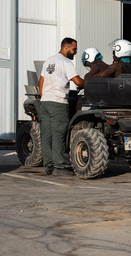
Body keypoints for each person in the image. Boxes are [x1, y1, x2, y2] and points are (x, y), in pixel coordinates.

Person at [39, 37, 85, 176]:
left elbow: (41, 81)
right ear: (66, 48)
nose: (75, 52)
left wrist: (43, 97)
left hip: (45, 102)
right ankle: (59, 167)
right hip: (58, 102)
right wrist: (90, 82)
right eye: (74, 49)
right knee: (58, 133)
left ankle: (48, 166)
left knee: (46, 134)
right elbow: (77, 82)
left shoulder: (49, 60)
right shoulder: (66, 62)